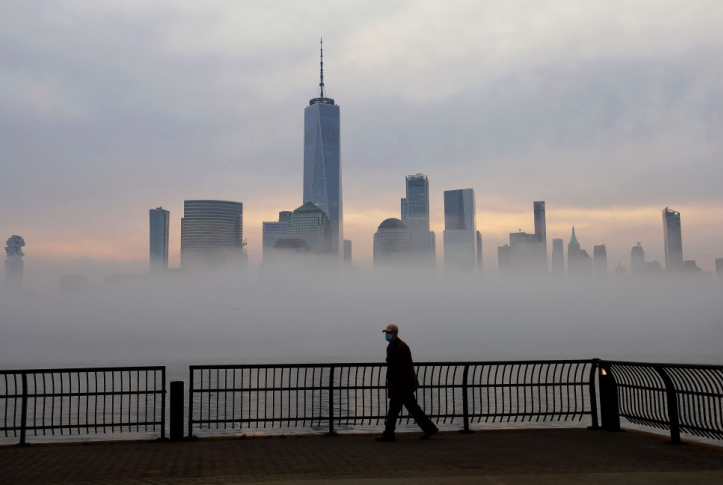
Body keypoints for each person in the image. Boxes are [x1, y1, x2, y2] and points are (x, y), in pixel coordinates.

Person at [375, 324, 439, 442]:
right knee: (405, 409)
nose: (387, 335)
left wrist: (404, 386)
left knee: (400, 409)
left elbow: (406, 368)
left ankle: (389, 434)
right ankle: (429, 429)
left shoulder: (401, 346)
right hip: (399, 384)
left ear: (395, 333)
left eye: (389, 332)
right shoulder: (391, 346)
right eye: (386, 332)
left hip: (403, 385)